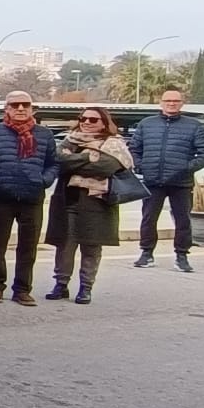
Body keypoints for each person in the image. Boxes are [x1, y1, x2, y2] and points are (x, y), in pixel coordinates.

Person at [0, 90, 59, 306]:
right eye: (15, 105)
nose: (20, 109)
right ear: (7, 109)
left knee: (28, 247)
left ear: (32, 109)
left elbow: (54, 163)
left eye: (25, 105)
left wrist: (44, 180)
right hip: (1, 196)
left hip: (32, 197)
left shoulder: (44, 134)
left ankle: (22, 289)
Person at [48, 106, 131, 305]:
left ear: (104, 123)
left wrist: (74, 162)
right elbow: (60, 162)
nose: (86, 122)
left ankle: (86, 287)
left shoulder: (114, 143)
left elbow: (105, 167)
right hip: (67, 198)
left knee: (91, 247)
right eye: (83, 118)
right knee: (64, 245)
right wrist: (87, 157)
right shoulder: (70, 139)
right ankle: (61, 284)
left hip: (97, 202)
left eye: (93, 120)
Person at [131, 89, 204, 273]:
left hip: (181, 183)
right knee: (148, 219)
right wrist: (140, 166)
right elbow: (134, 149)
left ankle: (181, 256)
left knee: (183, 220)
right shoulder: (147, 124)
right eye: (167, 100)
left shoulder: (193, 126)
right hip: (152, 180)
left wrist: (186, 168)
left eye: (175, 101)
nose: (171, 104)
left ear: (182, 103)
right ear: (160, 103)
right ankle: (146, 254)